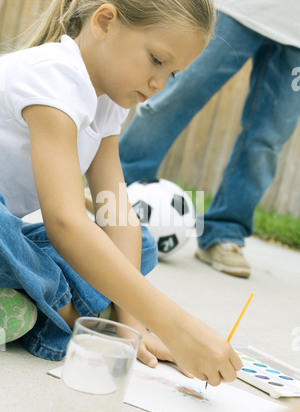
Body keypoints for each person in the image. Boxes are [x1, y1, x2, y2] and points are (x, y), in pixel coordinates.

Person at [0, 0, 242, 387]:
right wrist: (174, 324)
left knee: (138, 242)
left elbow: (116, 214)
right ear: (105, 22)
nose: (159, 85)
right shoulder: (52, 77)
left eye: (173, 75)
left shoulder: (108, 101)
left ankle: (29, 304)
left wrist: (134, 331)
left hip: (11, 246)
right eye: (156, 60)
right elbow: (64, 222)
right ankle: (71, 321)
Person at [119, 0, 300, 279]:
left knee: (269, 138)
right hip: (238, 9)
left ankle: (224, 232)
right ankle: (116, 196)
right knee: (176, 97)